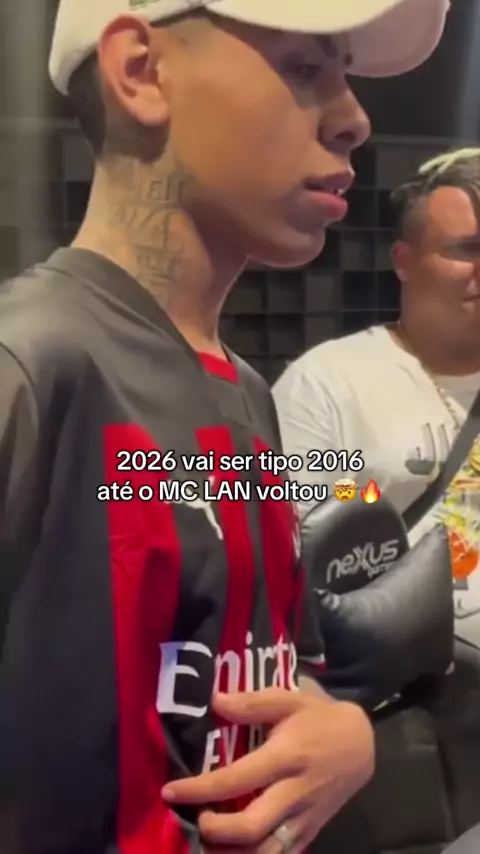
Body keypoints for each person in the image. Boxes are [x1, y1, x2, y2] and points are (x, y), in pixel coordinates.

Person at [0, 1, 449, 852]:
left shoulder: (245, 393)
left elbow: (268, 665)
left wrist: (342, 730)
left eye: (345, 74)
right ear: (141, 72)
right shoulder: (27, 364)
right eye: (305, 67)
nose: (355, 119)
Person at [273, 146, 480, 647]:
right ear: (402, 261)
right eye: (466, 249)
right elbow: (293, 531)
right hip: (394, 685)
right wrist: (368, 490)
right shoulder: (327, 382)